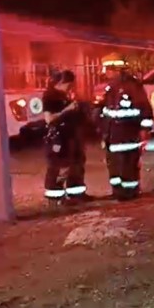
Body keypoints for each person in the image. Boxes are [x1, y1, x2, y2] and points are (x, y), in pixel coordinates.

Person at [98, 54, 154, 200]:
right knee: (114, 165)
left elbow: (145, 110)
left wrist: (145, 130)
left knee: (128, 165)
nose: (106, 73)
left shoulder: (132, 86)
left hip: (128, 133)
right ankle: (117, 191)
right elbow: (106, 110)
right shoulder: (111, 87)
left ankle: (130, 192)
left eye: (108, 70)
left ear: (116, 70)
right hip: (112, 134)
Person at [42, 69, 90, 206]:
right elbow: (49, 119)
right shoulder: (50, 96)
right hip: (59, 138)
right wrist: (67, 109)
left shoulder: (65, 95)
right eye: (69, 84)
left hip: (72, 136)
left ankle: (76, 195)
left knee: (76, 165)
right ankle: (55, 198)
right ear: (61, 82)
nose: (71, 87)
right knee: (59, 167)